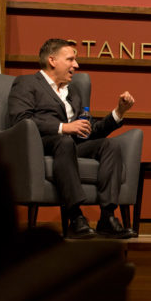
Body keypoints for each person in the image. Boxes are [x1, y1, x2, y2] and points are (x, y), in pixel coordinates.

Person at [8, 38, 135, 239]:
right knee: (64, 141)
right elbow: (20, 119)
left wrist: (119, 112)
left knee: (110, 145)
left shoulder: (73, 92)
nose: (76, 65)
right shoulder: (27, 83)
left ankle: (107, 217)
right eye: (70, 59)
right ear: (52, 61)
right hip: (40, 145)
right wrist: (63, 127)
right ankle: (75, 216)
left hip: (71, 146)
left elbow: (90, 130)